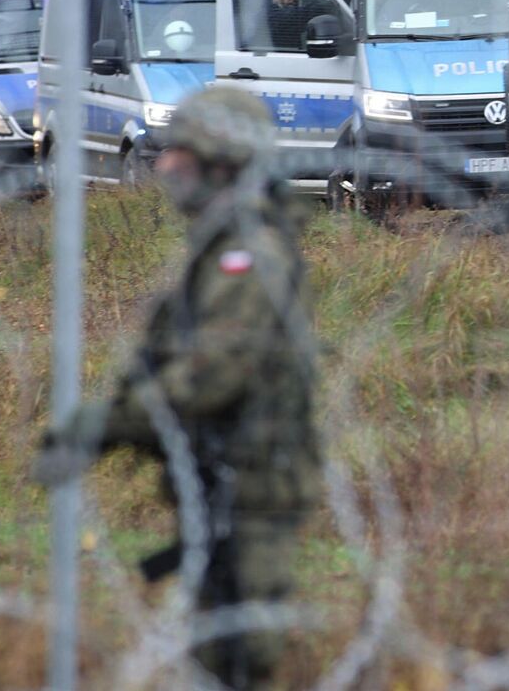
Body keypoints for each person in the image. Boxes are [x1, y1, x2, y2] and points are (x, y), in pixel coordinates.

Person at [34, 85, 321, 690]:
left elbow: (213, 373)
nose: (163, 167)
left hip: (252, 483)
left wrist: (107, 426)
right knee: (215, 650)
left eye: (178, 154)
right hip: (223, 478)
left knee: (237, 658)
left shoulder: (250, 253)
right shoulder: (221, 246)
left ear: (220, 161)